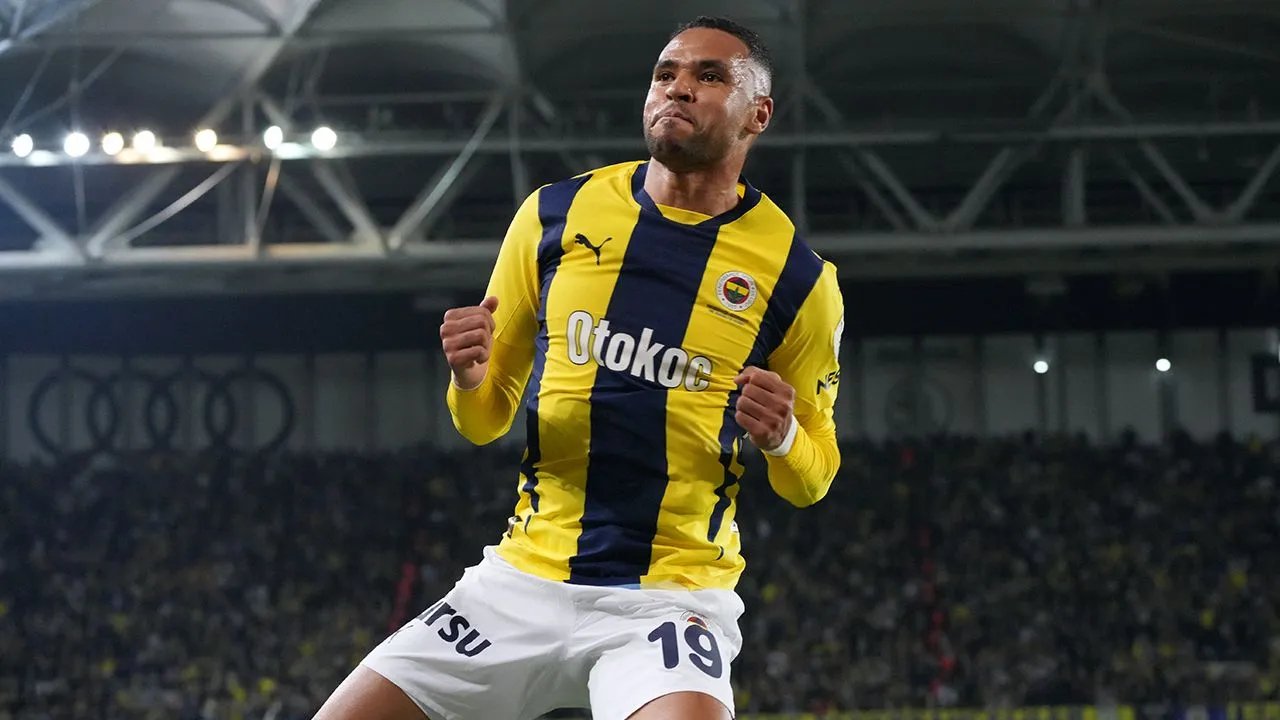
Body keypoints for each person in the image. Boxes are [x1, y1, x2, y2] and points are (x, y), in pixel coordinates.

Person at [313, 15, 844, 720]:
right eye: (665, 74)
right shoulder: (552, 216)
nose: (678, 89)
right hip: (520, 583)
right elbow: (482, 421)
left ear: (759, 114)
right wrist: (469, 379)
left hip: (668, 597)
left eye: (709, 76)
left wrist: (782, 437)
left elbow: (814, 477)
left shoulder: (799, 278)